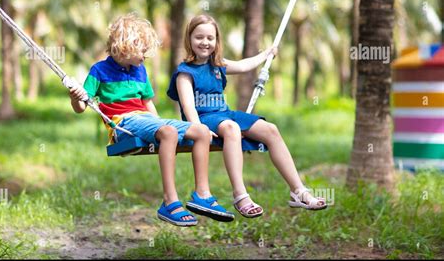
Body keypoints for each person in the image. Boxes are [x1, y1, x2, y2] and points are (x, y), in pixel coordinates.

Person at [69, 13, 235, 226]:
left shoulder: (140, 70)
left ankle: (202, 195)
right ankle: (170, 201)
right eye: (143, 50)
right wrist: (76, 97)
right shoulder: (99, 70)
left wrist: (158, 123)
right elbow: (81, 107)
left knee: (201, 131)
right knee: (169, 132)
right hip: (123, 124)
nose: (146, 55)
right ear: (126, 46)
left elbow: (148, 103)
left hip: (146, 120)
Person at [167, 14, 327, 218]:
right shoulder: (185, 73)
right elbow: (189, 108)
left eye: (210, 38)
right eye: (199, 37)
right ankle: (240, 194)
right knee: (232, 128)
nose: (205, 42)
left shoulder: (218, 65)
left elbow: (243, 65)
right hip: (203, 120)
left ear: (217, 41)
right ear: (189, 39)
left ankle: (298, 191)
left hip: (224, 114)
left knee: (271, 130)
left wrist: (266, 54)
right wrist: (201, 130)